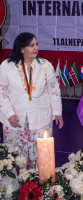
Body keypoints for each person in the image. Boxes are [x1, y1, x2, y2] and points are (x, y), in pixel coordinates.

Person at [0, 32, 63, 169]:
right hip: (14, 120)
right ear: (22, 48)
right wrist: (9, 114)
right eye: (31, 45)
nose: (36, 48)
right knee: (14, 158)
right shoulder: (7, 66)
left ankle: (40, 186)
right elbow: (1, 93)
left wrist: (57, 112)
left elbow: (54, 90)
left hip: (40, 118)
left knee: (41, 157)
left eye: (36, 44)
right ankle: (16, 188)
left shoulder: (45, 65)